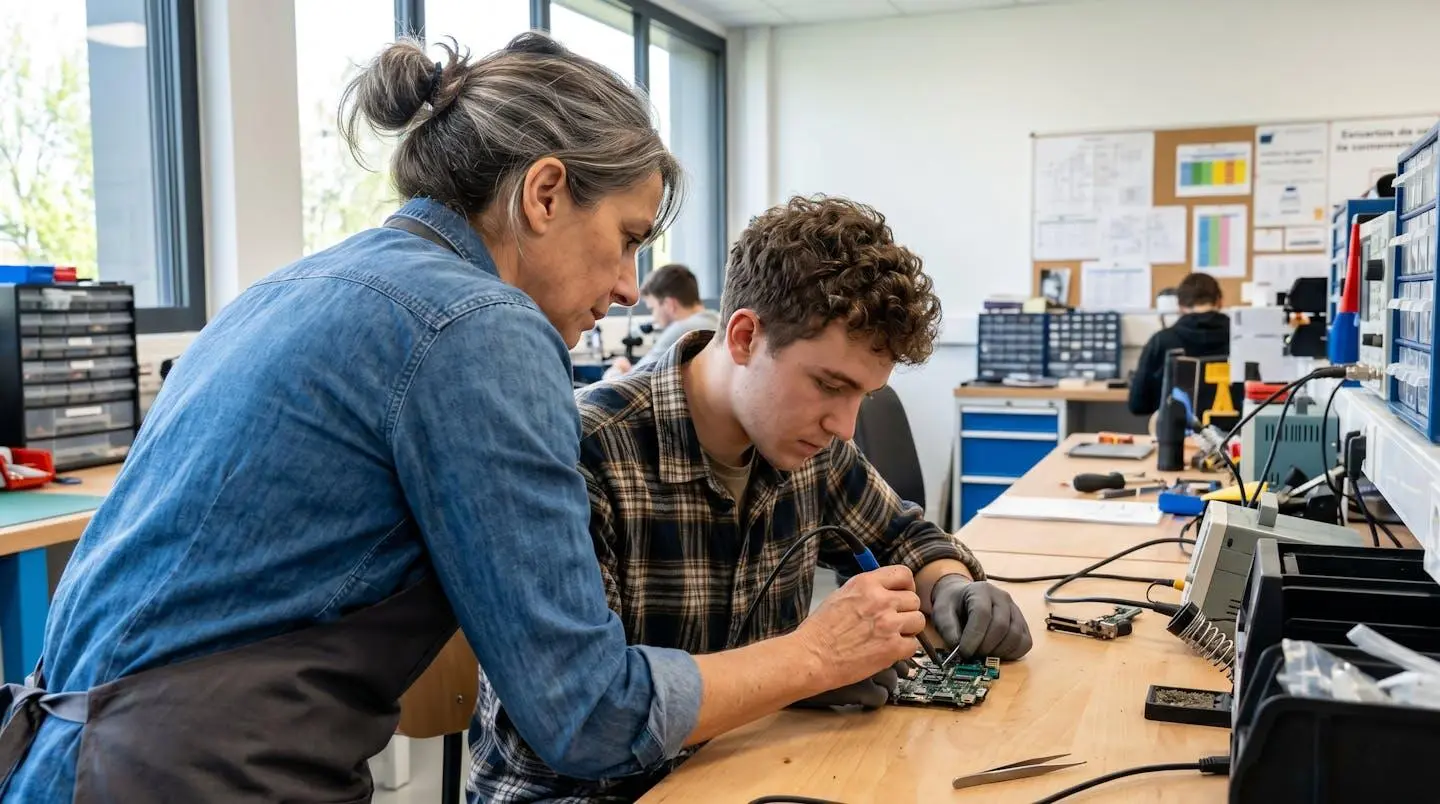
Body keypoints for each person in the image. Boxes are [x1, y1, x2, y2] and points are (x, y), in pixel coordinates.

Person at [0, 35, 926, 802]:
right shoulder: (483, 325)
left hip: (66, 754)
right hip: (189, 778)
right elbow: (585, 711)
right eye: (627, 240)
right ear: (545, 192)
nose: (624, 286)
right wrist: (815, 654)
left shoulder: (299, 284)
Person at [468, 195, 1034, 803]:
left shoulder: (807, 447)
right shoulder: (583, 452)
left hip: (741, 770)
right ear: (744, 336)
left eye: (862, 398)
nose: (844, 426)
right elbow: (590, 719)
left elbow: (903, 535)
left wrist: (950, 585)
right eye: (829, 385)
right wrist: (807, 663)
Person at [1128, 272, 1231, 416]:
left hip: (1176, 434)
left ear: (1180, 306)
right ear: (1220, 301)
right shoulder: (1241, 339)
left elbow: (1138, 405)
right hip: (1235, 434)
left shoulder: (1161, 341)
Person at [604, 263, 719, 378]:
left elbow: (628, 380)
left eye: (653, 309)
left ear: (669, 304)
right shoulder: (715, 320)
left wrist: (616, 370)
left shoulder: (683, 330)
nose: (654, 317)